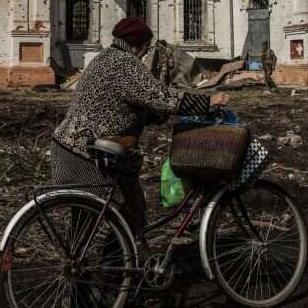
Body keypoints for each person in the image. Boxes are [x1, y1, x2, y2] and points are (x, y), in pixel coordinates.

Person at [51, 16, 229, 246]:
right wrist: (208, 102)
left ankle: (114, 268)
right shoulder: (125, 64)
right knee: (123, 213)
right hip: (86, 154)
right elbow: (161, 96)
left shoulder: (104, 58)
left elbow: (128, 102)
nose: (146, 54)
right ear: (137, 45)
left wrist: (157, 115)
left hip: (71, 147)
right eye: (145, 48)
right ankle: (114, 270)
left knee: (100, 217)